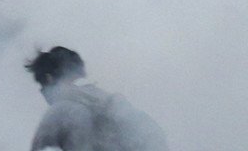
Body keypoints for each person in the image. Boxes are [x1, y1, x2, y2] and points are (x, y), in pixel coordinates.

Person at [26, 47, 168, 151]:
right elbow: (151, 133)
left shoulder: (60, 112)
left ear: (48, 78)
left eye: (42, 87)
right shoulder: (105, 101)